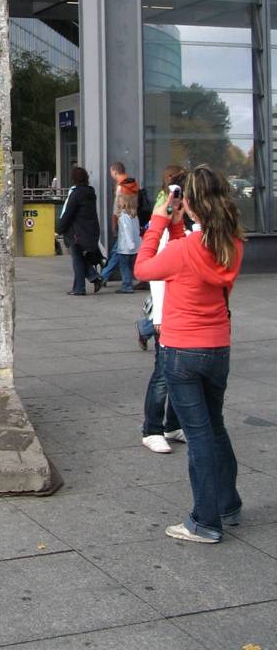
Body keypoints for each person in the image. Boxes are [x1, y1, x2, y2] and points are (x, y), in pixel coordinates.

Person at [134, 164, 245, 543]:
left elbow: (143, 267)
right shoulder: (232, 243)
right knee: (215, 427)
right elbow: (194, 260)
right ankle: (228, 505)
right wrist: (179, 226)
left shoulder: (183, 250)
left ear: (192, 204)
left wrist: (158, 222)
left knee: (198, 437)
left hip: (182, 352)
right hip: (217, 348)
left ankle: (205, 522)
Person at [140, 165, 188, 453]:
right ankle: (152, 428)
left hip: (183, 308)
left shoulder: (186, 221)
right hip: (168, 310)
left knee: (179, 372)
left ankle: (172, 424)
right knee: (163, 372)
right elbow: (155, 272)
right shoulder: (165, 219)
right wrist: (158, 314)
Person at [55, 166, 104, 296]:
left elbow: (68, 214)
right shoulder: (91, 193)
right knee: (80, 258)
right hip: (90, 230)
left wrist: (59, 229)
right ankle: (93, 278)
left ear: (74, 179)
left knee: (77, 258)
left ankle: (80, 288)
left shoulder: (76, 194)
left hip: (77, 233)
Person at [103, 162, 141, 293]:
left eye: (111, 172)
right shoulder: (133, 184)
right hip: (133, 217)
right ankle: (104, 276)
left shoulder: (120, 188)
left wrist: (114, 224)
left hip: (124, 227)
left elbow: (116, 209)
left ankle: (122, 283)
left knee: (120, 255)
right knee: (118, 253)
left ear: (115, 172)